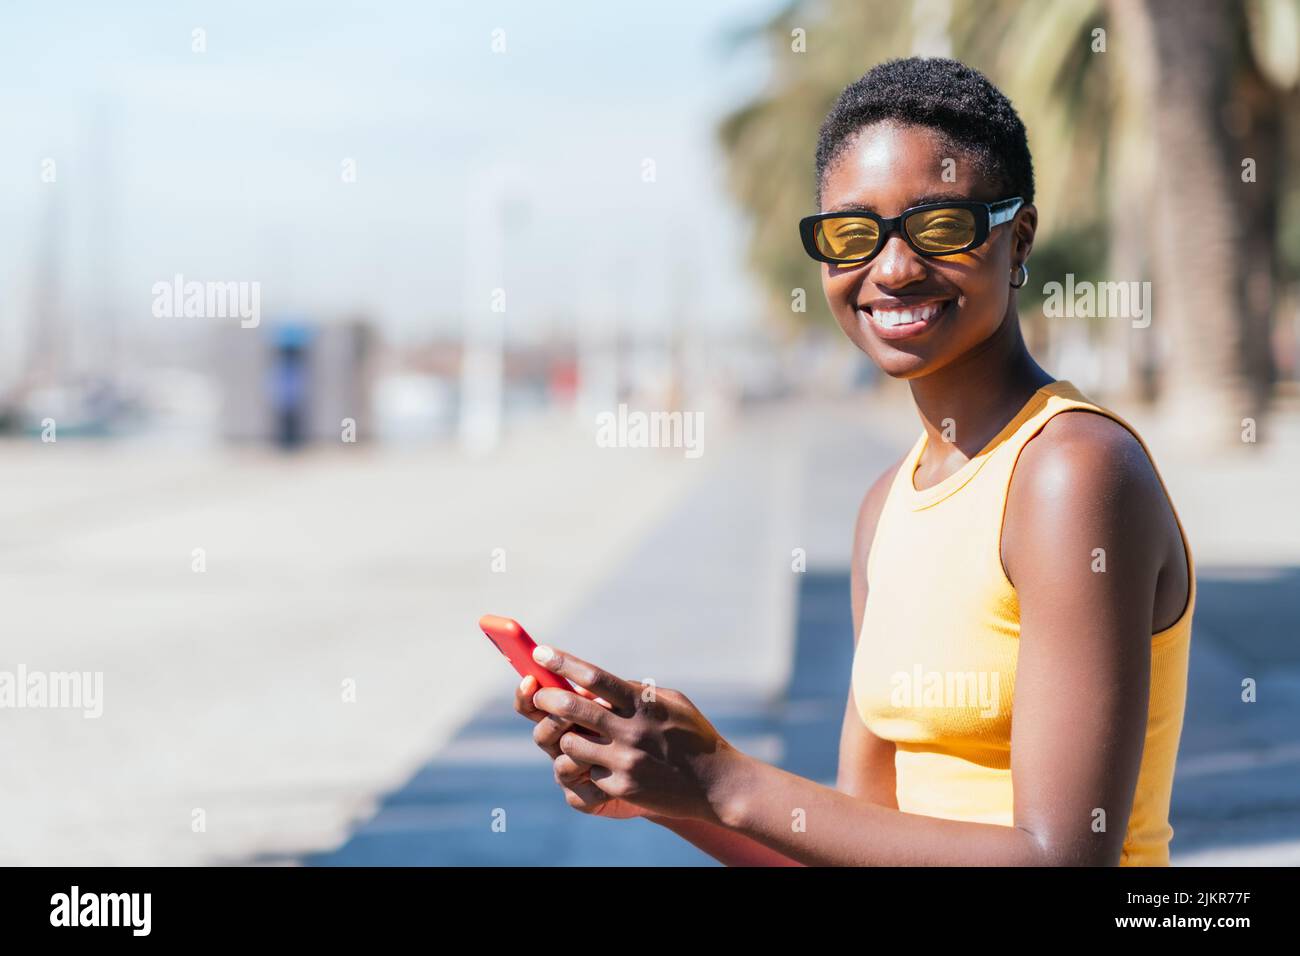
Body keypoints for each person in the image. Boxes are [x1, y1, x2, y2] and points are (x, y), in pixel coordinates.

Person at [514, 57, 1194, 866]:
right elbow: (849, 850)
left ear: (1018, 239)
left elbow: (1060, 858)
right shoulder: (886, 507)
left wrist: (727, 781)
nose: (895, 268)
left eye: (943, 226)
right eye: (852, 234)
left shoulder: (1071, 472)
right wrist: (666, 793)